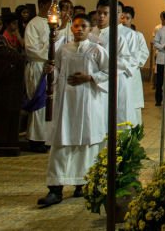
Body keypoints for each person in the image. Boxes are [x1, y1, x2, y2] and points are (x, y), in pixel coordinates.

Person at [37, 14, 109, 207]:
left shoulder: (97, 50)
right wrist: (51, 73)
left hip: (88, 104)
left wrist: (90, 77)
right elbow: (57, 73)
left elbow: (109, 73)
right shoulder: (63, 50)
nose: (79, 29)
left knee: (86, 143)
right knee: (62, 141)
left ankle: (82, 182)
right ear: (71, 29)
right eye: (76, 26)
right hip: (66, 104)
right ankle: (55, 188)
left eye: (83, 26)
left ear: (89, 29)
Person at [89, 0, 132, 126]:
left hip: (112, 81)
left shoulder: (118, 36)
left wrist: (102, 74)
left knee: (112, 117)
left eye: (105, 13)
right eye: (99, 12)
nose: (101, 16)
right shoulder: (90, 34)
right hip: (91, 81)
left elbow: (123, 62)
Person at [25, 0, 57, 152]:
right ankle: (36, 139)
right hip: (38, 67)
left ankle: (47, 138)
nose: (54, 9)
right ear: (43, 4)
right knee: (40, 104)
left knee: (50, 105)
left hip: (51, 67)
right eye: (52, 5)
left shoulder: (53, 24)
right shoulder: (33, 24)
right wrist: (49, 55)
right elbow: (31, 49)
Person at [120, 5, 149, 126]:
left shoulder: (138, 35)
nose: (125, 20)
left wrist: (134, 64)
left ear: (132, 19)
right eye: (123, 17)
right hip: (120, 71)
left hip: (132, 72)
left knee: (134, 102)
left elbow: (144, 52)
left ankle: (135, 130)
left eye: (128, 18)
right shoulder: (116, 33)